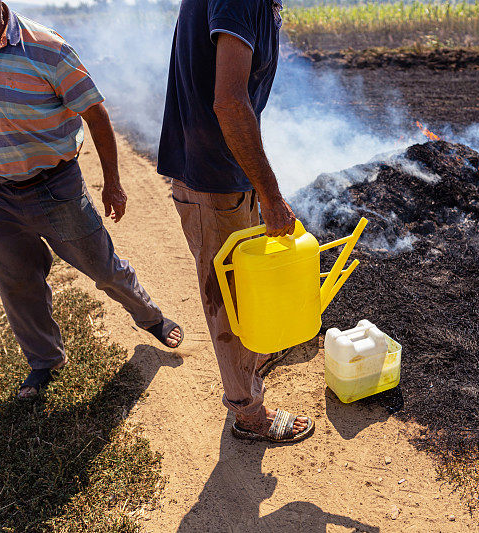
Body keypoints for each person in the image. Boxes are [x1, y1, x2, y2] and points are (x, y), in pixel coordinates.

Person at [0, 0, 184, 398]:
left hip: (54, 186)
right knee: (15, 283)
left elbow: (96, 114)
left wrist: (112, 183)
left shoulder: (47, 47)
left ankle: (149, 316)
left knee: (101, 266)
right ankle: (45, 360)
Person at [158, 0, 314, 443]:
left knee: (241, 286)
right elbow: (229, 103)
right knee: (224, 296)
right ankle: (248, 414)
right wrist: (271, 196)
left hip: (223, 172)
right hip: (212, 179)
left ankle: (253, 362)